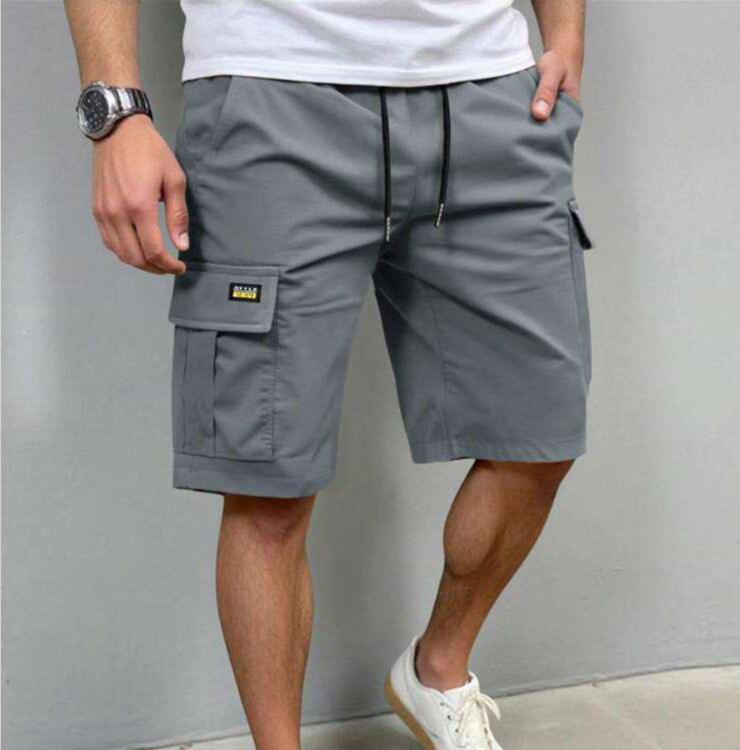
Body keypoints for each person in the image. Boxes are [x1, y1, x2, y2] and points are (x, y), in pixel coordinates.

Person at [65, 1, 593, 748]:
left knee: (541, 431)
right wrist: (115, 114)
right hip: (270, 90)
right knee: (266, 484)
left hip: (491, 95)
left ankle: (438, 668)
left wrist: (566, 33)